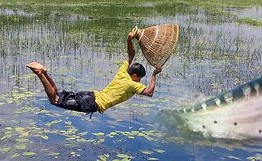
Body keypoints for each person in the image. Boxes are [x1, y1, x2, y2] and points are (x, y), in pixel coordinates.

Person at [26, 30, 162, 116]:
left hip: (90, 95)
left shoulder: (122, 73)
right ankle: (40, 74)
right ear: (135, 76)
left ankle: (45, 73)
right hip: (91, 103)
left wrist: (129, 40)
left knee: (57, 94)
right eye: (139, 79)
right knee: (55, 100)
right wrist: (154, 75)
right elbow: (149, 92)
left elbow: (131, 54)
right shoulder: (132, 84)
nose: (139, 82)